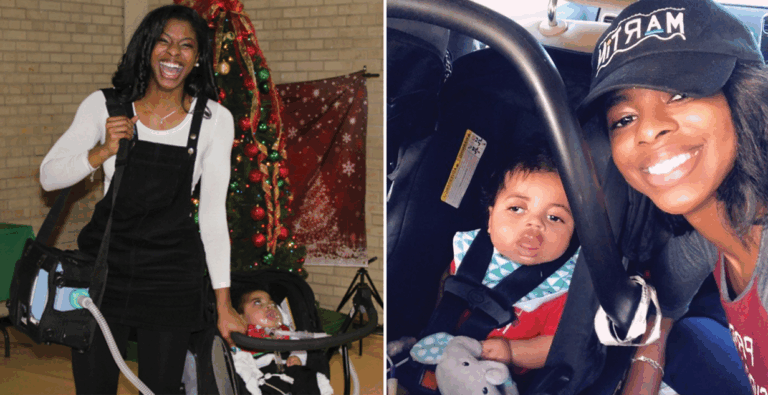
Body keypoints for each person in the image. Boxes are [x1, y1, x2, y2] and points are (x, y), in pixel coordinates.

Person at [39, 5, 246, 394]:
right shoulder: (105, 106)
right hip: (103, 274)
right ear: (147, 47)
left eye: (186, 45)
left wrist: (224, 304)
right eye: (164, 42)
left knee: (160, 389)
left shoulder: (214, 120)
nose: (174, 54)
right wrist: (102, 151)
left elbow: (213, 218)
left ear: (198, 57)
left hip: (171, 279)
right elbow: (48, 176)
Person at [578, 0, 768, 394]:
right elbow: (668, 304)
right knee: (691, 334)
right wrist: (646, 361)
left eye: (680, 94)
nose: (648, 130)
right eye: (624, 119)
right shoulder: (708, 236)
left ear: (743, 97)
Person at [447, 145, 580, 379]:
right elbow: (445, 296)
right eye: (517, 208)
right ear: (490, 218)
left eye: (554, 217)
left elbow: (556, 346)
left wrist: (512, 351)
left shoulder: (560, 289)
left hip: (501, 378)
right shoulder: (467, 256)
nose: (535, 224)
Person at [232, 284, 328, 395]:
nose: (269, 306)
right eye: (257, 303)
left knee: (310, 378)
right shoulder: (242, 335)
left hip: (290, 369)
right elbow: (238, 360)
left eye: (273, 304)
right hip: (263, 374)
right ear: (241, 317)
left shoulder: (286, 331)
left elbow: (300, 346)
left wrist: (297, 357)